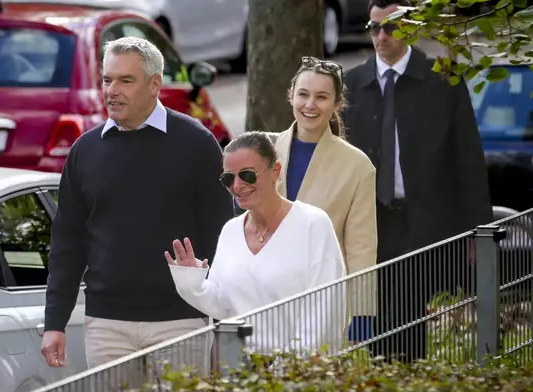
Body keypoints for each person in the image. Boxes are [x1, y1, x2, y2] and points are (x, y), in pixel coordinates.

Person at [41, 36, 235, 371]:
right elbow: (67, 241)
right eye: (107, 80)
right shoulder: (85, 151)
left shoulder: (197, 144)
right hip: (106, 323)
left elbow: (221, 237)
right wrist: (54, 322)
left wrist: (219, 319)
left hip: (180, 320)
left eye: (125, 81)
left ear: (154, 84)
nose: (112, 90)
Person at [342, 0, 493, 362]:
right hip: (370, 222)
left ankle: (402, 373)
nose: (381, 37)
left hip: (424, 220)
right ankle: (389, 374)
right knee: (374, 312)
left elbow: (468, 158)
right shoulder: (351, 85)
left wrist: (480, 227)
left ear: (411, 28)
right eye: (373, 28)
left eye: (390, 28)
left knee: (405, 312)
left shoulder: (443, 79)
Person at [165, 131, 348, 354]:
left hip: (298, 373)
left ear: (276, 171)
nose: (237, 186)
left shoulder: (313, 224)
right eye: (228, 179)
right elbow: (224, 306)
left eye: (248, 175)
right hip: (241, 372)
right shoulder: (230, 231)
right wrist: (191, 282)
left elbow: (325, 310)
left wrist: (288, 369)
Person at [273, 56, 378, 345]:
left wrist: (361, 311)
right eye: (303, 94)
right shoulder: (267, 151)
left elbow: (361, 247)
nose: (310, 104)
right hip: (264, 297)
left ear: (337, 104)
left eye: (322, 97)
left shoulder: (358, 166)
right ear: (291, 95)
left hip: (321, 300)